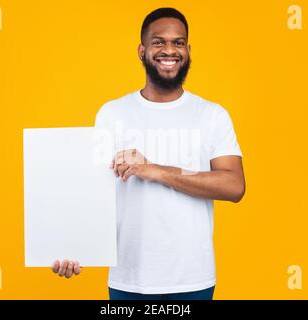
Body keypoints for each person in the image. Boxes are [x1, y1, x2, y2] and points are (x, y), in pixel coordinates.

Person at [51, 7, 245, 300]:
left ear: (188, 50)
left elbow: (233, 185)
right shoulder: (113, 113)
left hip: (192, 280)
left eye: (178, 42)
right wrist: (73, 246)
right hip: (129, 280)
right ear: (142, 51)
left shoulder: (211, 115)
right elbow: (93, 191)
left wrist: (155, 170)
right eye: (159, 42)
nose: (169, 49)